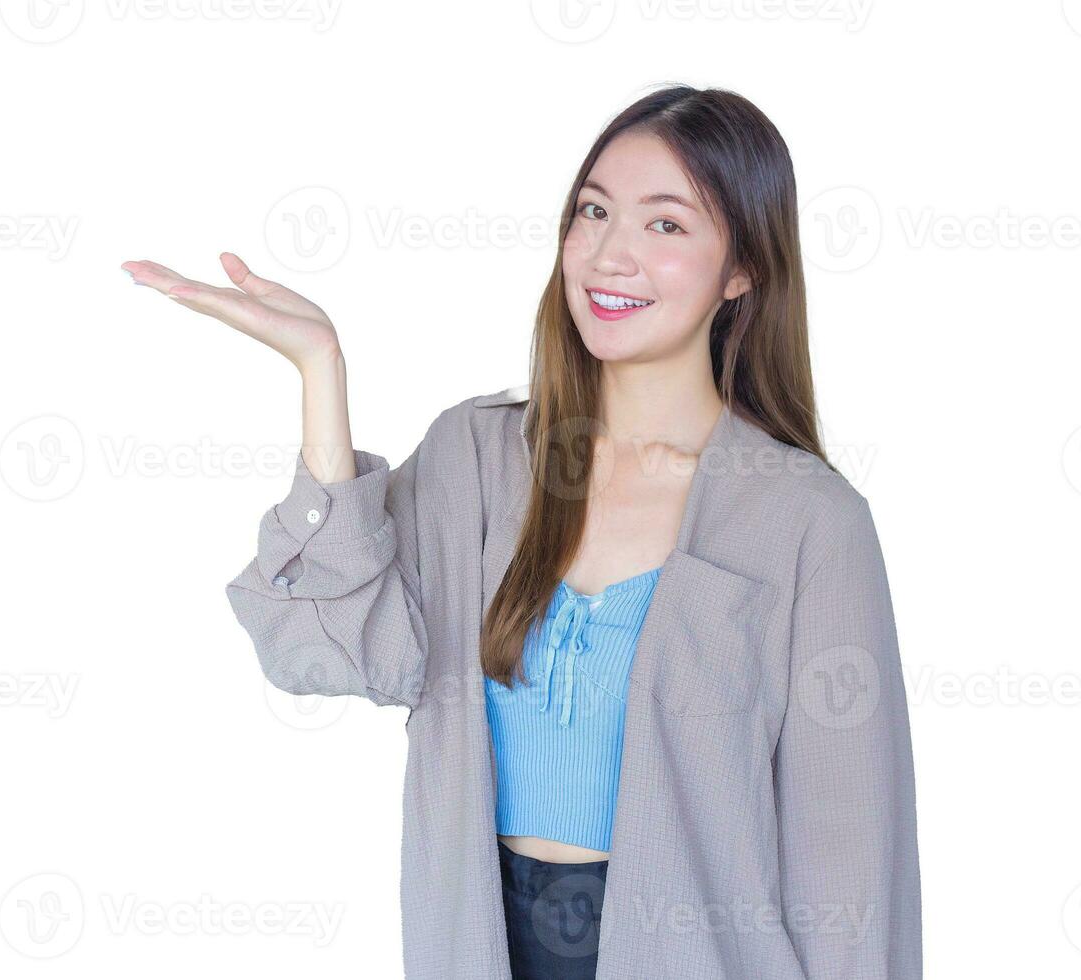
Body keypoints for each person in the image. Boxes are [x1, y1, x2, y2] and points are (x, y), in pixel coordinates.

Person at [125, 84, 922, 980]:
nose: (610, 255)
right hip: (481, 945)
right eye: (593, 211)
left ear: (743, 269)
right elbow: (326, 654)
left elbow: (850, 868)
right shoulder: (477, 454)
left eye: (666, 226)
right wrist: (322, 375)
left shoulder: (810, 521)